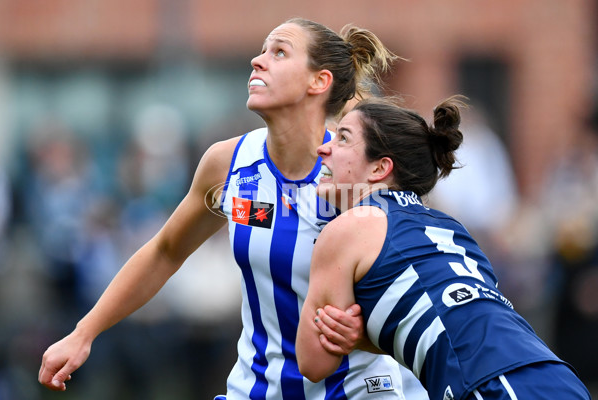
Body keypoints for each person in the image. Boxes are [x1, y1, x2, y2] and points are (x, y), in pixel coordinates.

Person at [38, 18, 419, 399]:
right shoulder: (228, 164)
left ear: (318, 82)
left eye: (279, 52)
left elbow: (420, 291)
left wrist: (367, 337)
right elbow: (165, 251)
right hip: (255, 389)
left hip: (355, 389)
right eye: (262, 50)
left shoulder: (361, 173)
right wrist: (82, 334)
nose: (258, 61)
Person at [296, 96, 591, 399]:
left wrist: (354, 334)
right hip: (553, 375)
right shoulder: (452, 227)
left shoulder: (349, 226)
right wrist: (365, 335)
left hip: (489, 384)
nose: (324, 148)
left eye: (343, 138)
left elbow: (313, 362)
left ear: (380, 168)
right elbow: (443, 320)